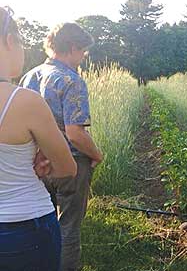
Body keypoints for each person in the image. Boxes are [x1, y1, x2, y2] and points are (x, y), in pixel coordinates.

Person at [20, 22, 103, 271]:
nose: (84, 57)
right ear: (72, 47)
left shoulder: (29, 76)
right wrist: (97, 155)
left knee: (43, 224)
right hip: (70, 163)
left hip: (35, 163)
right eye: (83, 51)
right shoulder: (72, 80)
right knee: (68, 227)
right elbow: (75, 133)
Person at [0, 6, 77, 270]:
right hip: (24, 227)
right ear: (10, 40)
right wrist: (42, 161)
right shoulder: (24, 102)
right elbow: (67, 168)